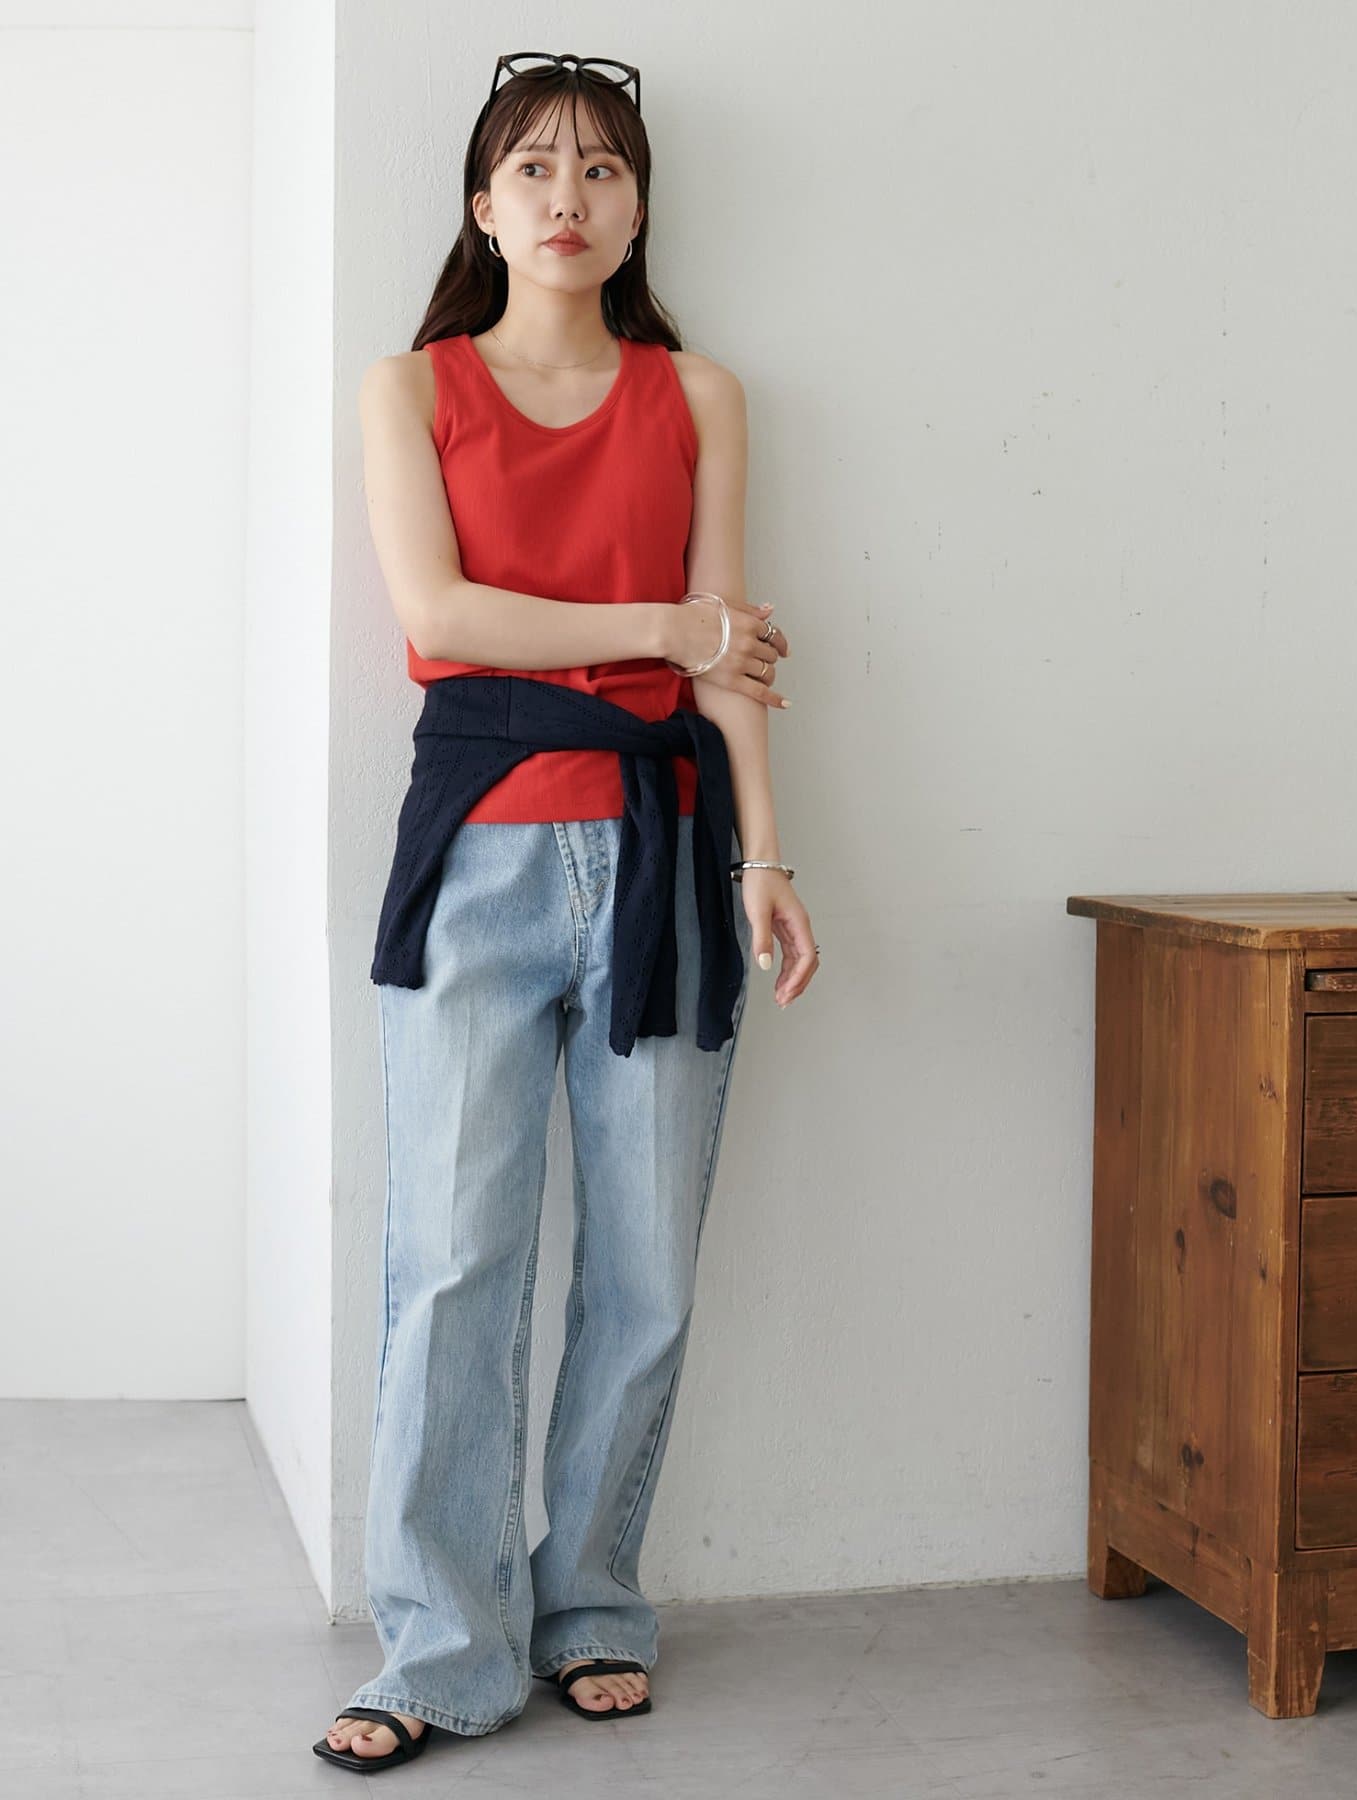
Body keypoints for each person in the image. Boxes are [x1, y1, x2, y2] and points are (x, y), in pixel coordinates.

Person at [314, 51, 820, 1774]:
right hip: (479, 857)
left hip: (666, 858)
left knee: (647, 1271)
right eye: (533, 168)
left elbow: (733, 651)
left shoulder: (700, 395)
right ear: (482, 205)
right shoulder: (410, 388)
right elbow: (441, 615)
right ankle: (440, 1651)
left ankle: (592, 1601)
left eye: (602, 169)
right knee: (452, 1266)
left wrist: (766, 856)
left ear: (639, 206)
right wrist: (665, 632)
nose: (567, 197)